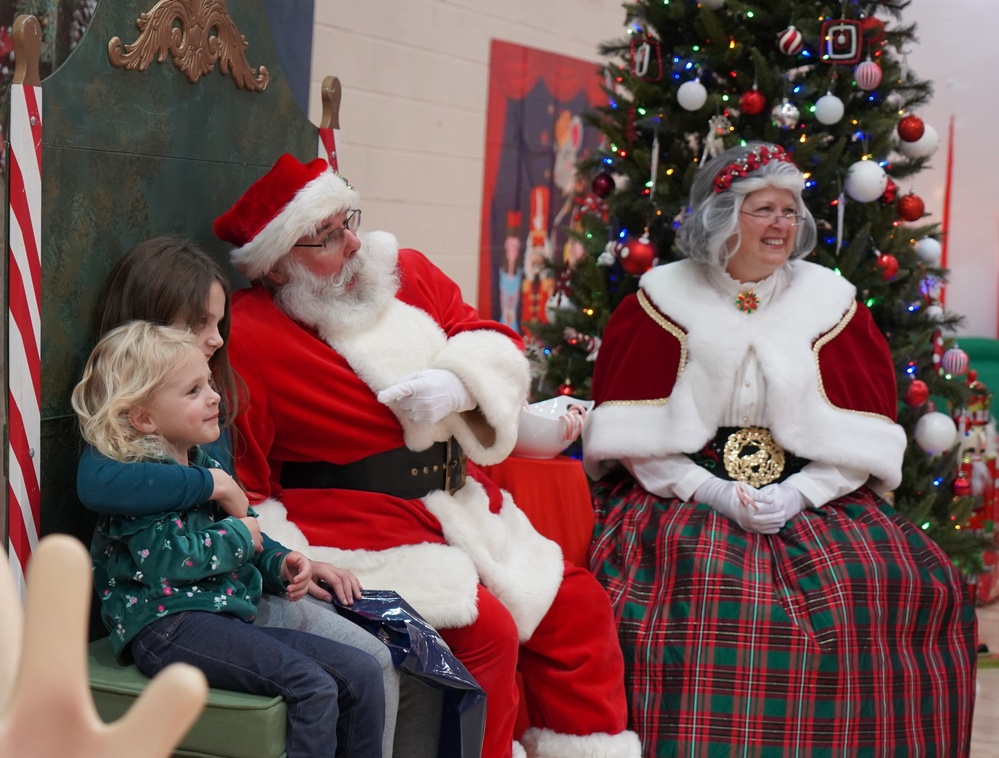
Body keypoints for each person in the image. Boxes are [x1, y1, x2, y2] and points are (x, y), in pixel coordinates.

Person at [213, 153, 641, 758]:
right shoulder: (252, 336)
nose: (354, 242)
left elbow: (491, 337)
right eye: (328, 236)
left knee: (577, 607)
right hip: (356, 526)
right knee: (484, 628)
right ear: (280, 268)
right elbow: (248, 484)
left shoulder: (404, 273)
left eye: (349, 220)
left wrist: (461, 383)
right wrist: (291, 562)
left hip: (463, 503)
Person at [582, 142, 978, 755]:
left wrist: (801, 492)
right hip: (685, 494)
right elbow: (635, 433)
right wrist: (712, 490)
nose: (781, 225)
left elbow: (859, 431)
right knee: (707, 602)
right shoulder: (660, 302)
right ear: (722, 216)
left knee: (886, 581)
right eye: (763, 209)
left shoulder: (831, 305)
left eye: (790, 211)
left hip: (813, 496)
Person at [74, 237, 439, 758]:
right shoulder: (131, 448)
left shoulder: (195, 437)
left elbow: (234, 520)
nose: (216, 340)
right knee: (320, 682)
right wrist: (224, 505)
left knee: (367, 663)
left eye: (218, 325)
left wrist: (283, 560)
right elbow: (166, 533)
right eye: (199, 325)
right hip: (173, 616)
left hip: (222, 597)